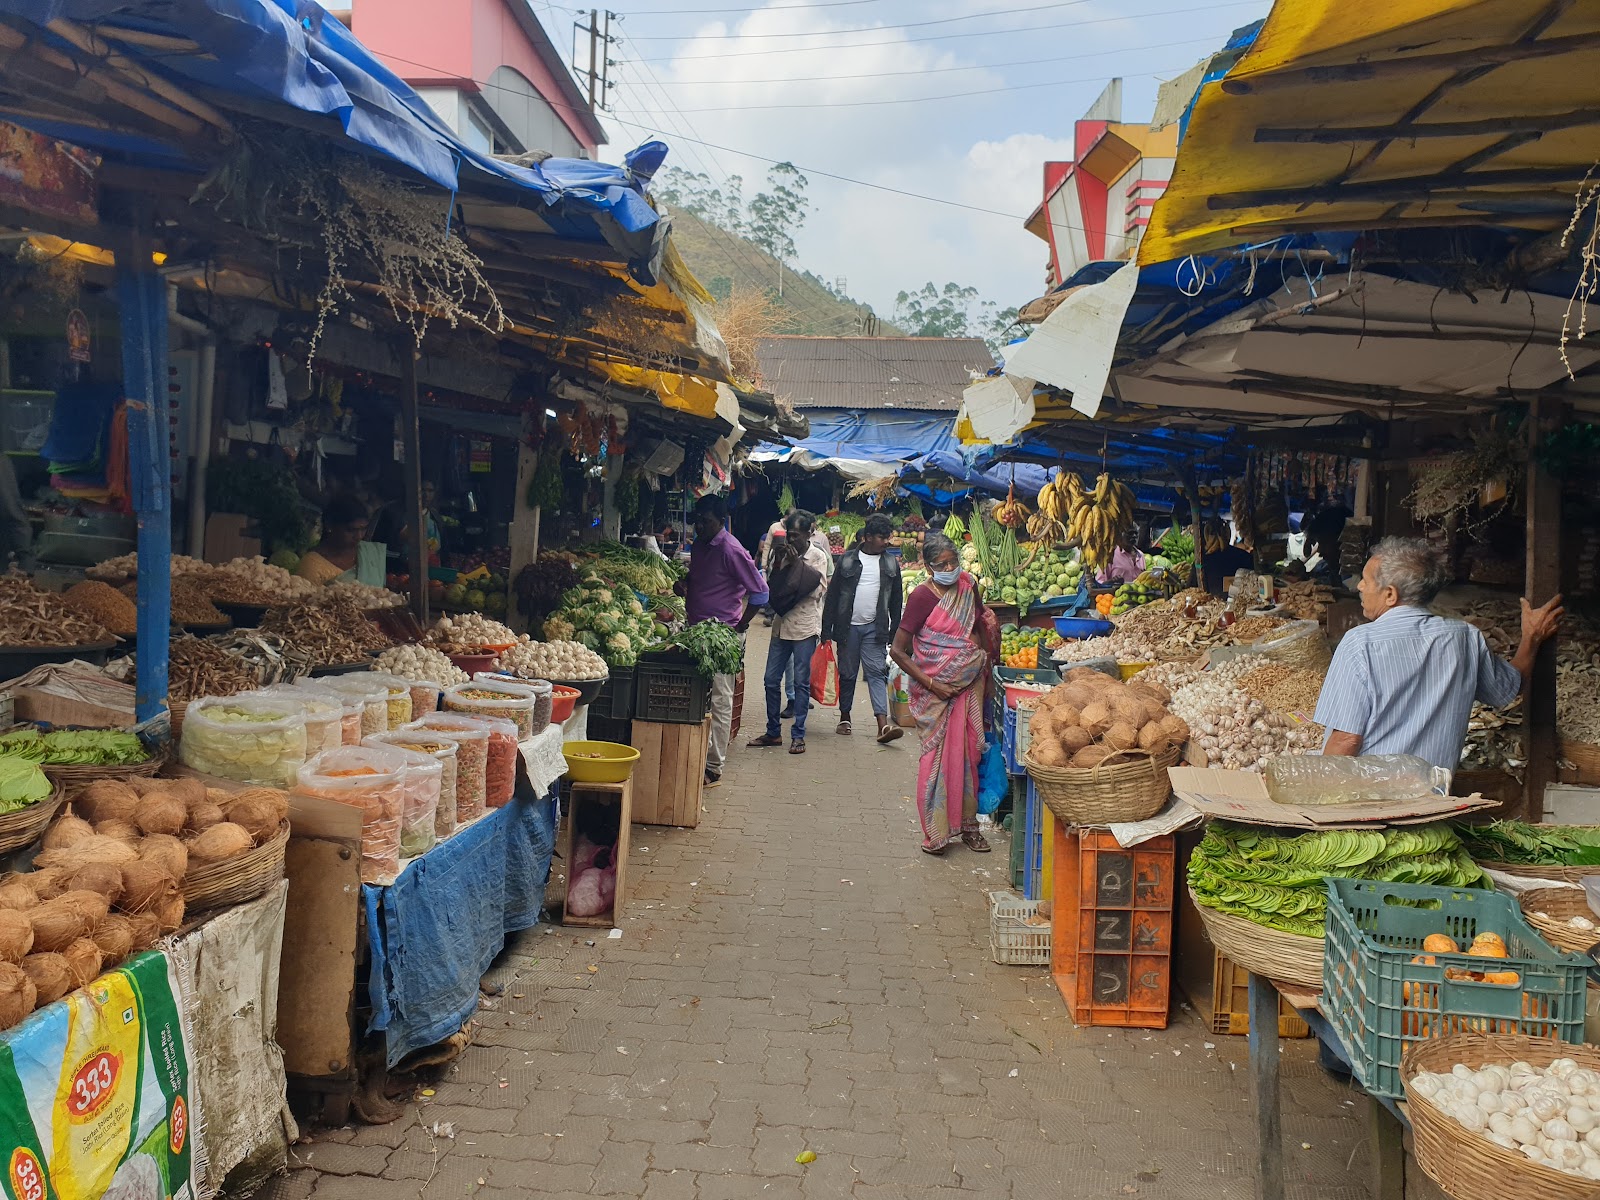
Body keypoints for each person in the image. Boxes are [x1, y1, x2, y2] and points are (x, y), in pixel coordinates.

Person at [1314, 536, 1563, 771]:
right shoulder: (1465, 637)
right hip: (1432, 798)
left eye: (1366, 580)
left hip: (1368, 799)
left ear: (1390, 595)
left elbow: (1345, 740)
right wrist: (1532, 638)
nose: (1359, 585)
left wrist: (1317, 794)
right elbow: (1508, 689)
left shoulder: (1360, 643)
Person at [890, 532, 999, 855]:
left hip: (970, 685)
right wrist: (934, 684)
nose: (950, 568)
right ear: (928, 567)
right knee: (935, 758)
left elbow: (979, 624)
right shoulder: (922, 597)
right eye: (942, 564)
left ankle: (969, 827)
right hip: (934, 691)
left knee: (970, 755)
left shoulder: (968, 585)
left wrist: (986, 666)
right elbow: (898, 651)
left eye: (954, 562)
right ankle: (936, 832)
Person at [682, 495, 768, 786]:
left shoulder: (731, 550)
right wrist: (685, 586)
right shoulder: (700, 545)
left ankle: (713, 766)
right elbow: (700, 579)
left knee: (720, 698)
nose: (700, 526)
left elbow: (760, 593)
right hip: (696, 633)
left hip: (722, 637)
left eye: (705, 521)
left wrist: (740, 626)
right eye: (697, 521)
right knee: (699, 697)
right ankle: (695, 756)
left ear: (720, 520)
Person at [748, 511, 829, 754]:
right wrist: (779, 563)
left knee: (801, 683)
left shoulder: (818, 557)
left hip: (804, 627)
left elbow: (816, 591)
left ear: (808, 534)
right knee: (770, 680)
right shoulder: (779, 553)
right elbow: (772, 588)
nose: (791, 540)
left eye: (795, 535)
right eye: (788, 535)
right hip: (780, 626)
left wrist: (796, 565)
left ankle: (798, 734)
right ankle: (773, 731)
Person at [822, 513, 903, 743]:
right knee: (847, 674)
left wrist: (894, 631)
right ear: (867, 537)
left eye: (888, 537)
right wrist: (826, 630)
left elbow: (897, 599)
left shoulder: (890, 563)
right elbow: (833, 596)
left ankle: (882, 726)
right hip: (847, 628)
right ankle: (845, 717)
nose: (886, 541)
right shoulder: (847, 560)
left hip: (875, 628)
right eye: (882, 537)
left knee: (877, 672)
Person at [296, 493, 371, 585]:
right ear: (329, 525)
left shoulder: (368, 554)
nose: (359, 536)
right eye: (351, 530)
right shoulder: (311, 565)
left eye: (363, 529)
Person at [1201, 520, 1253, 596]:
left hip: (1213, 603)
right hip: (1240, 601)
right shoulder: (1243, 555)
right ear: (1227, 535)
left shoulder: (1203, 559)